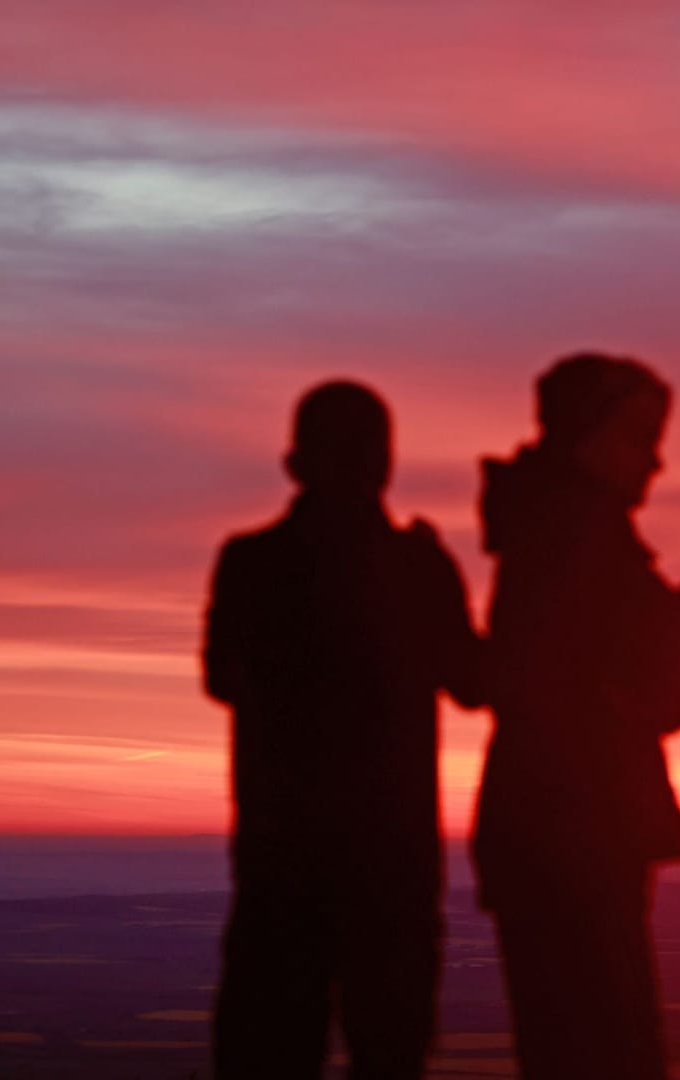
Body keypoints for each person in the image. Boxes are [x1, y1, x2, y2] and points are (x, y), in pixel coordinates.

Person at [202, 381, 484, 1080]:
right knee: (388, 1052)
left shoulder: (252, 563)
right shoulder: (414, 568)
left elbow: (222, 679)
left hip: (281, 860)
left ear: (296, 463)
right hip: (390, 869)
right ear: (383, 464)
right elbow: (476, 682)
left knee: (268, 1052)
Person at [473, 353, 680, 1080]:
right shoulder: (583, 544)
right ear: (591, 438)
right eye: (640, 437)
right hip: (581, 841)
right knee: (605, 1051)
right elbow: (646, 697)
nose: (656, 463)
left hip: (546, 836)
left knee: (568, 1046)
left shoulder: (549, 536)